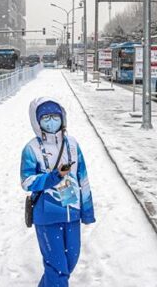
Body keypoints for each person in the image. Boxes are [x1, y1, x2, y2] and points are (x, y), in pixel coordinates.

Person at [20, 97, 95, 287]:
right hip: (47, 215)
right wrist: (53, 177)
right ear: (37, 121)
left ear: (62, 118)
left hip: (72, 213)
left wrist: (87, 211)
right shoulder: (31, 148)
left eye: (55, 116)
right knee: (58, 268)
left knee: (70, 262)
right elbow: (27, 182)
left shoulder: (72, 144)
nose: (51, 121)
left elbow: (82, 178)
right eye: (45, 117)